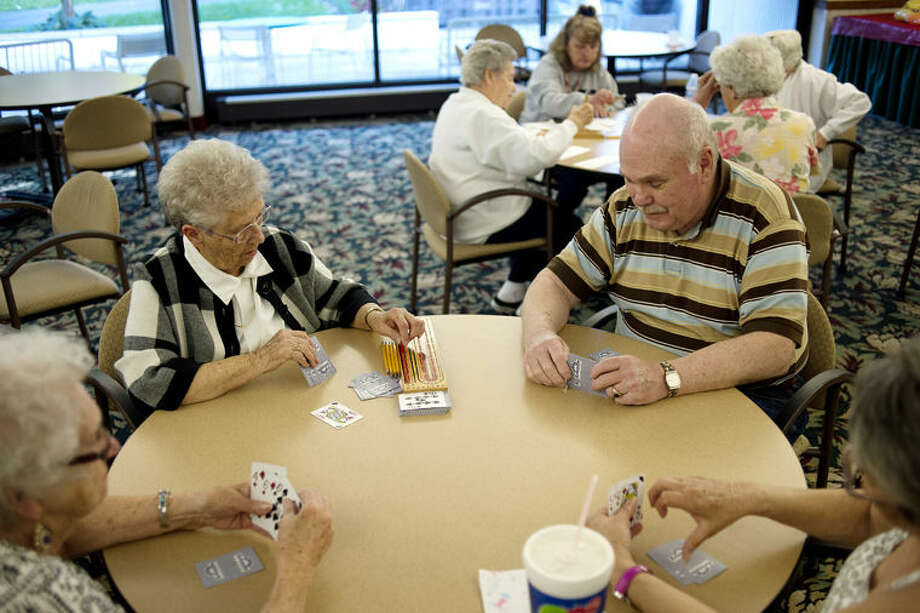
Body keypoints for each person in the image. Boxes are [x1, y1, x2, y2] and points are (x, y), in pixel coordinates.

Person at [520, 93, 809, 430]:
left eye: (655, 182)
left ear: (704, 164)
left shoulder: (765, 215)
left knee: (665, 477)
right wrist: (539, 336)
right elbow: (555, 282)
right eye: (629, 179)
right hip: (637, 378)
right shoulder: (624, 206)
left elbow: (774, 347)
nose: (639, 198)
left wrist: (667, 377)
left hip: (739, 393)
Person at [0, 330, 334, 612]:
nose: (114, 447)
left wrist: (196, 508)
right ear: (23, 497)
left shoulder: (20, 517)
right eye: (94, 445)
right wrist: (296, 568)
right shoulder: (42, 597)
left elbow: (53, 526)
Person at [587, 337, 920, 612]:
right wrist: (745, 497)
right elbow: (871, 518)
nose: (853, 464)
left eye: (860, 475)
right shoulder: (906, 523)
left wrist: (624, 572)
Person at [116, 138, 425, 417]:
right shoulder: (159, 280)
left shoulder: (278, 247)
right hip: (217, 425)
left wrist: (375, 317)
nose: (259, 237)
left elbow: (332, 295)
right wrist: (261, 360)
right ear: (194, 234)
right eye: (240, 231)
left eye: (259, 217)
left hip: (299, 407)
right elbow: (150, 382)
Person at [429, 39, 593, 314]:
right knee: (568, 225)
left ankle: (513, 289)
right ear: (489, 76)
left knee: (542, 209)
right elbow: (534, 157)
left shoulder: (456, 102)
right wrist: (572, 124)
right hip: (482, 216)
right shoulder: (483, 115)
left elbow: (508, 144)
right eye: (509, 78)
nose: (514, 86)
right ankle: (536, 305)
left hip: (462, 207)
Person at [520, 4, 625, 217]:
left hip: (583, 141)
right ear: (565, 44)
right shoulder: (549, 65)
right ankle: (555, 229)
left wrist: (606, 106)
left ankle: (609, 226)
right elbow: (549, 102)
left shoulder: (598, 71)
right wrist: (588, 100)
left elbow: (617, 104)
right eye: (580, 47)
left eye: (593, 47)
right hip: (545, 141)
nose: (587, 54)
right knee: (575, 180)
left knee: (620, 176)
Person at [693, 35, 818, 195]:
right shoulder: (803, 124)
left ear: (732, 89)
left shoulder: (714, 130)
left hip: (741, 217)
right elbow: (809, 176)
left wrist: (698, 103)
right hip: (793, 217)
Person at [766, 29, 872, 193]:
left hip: (805, 164)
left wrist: (825, 134)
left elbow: (860, 102)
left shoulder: (817, 80)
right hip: (769, 152)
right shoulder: (763, 76)